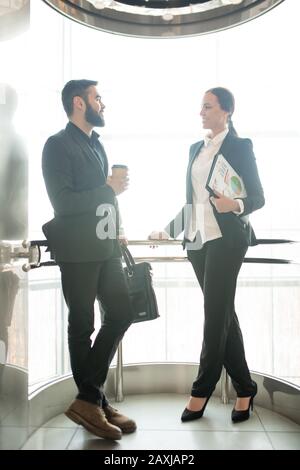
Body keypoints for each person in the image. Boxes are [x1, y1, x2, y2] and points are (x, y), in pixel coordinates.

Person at [150, 87, 264, 423]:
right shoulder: (195, 149)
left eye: (207, 106)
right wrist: (168, 230)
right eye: (201, 106)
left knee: (214, 315)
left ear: (226, 111)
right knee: (223, 312)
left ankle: (201, 390)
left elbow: (257, 196)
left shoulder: (240, 147)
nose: (201, 112)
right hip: (198, 242)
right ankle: (245, 388)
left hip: (227, 240)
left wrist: (236, 205)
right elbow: (193, 201)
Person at [42, 79, 136, 440]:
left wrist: (117, 224)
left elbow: (104, 201)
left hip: (106, 245)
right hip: (77, 251)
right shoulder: (57, 145)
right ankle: (95, 402)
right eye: (98, 97)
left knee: (122, 313)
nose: (103, 103)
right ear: (79, 103)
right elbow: (63, 203)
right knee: (82, 326)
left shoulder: (97, 146)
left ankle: (89, 398)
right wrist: (106, 190)